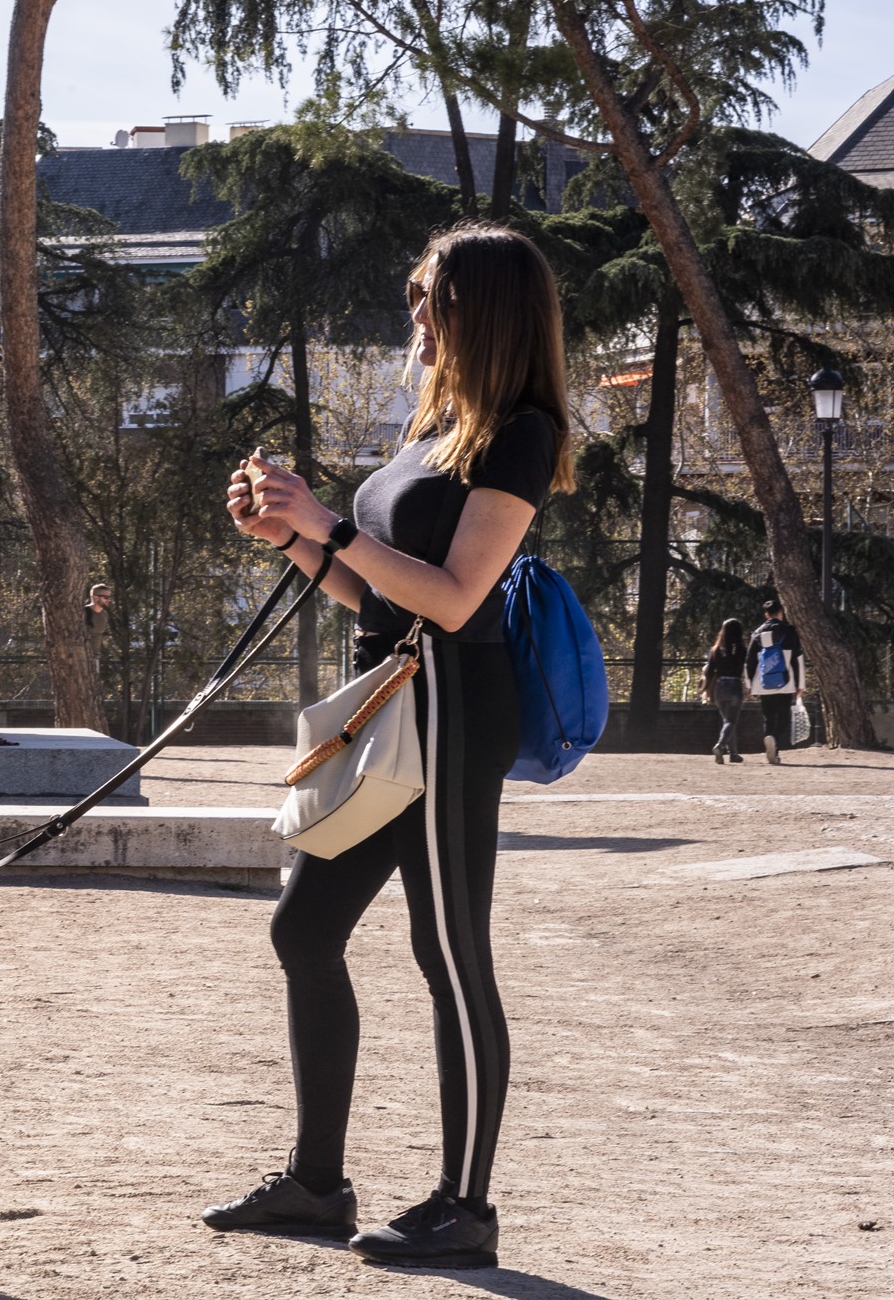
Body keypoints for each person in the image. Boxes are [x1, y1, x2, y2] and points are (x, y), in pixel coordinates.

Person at [208, 223, 574, 1270]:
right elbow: (369, 589)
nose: (414, 315)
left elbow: (456, 599)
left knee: (448, 956)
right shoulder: (437, 431)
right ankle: (316, 1187)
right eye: (416, 296)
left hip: (457, 709)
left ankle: (464, 1205)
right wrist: (288, 534)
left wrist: (326, 525)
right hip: (389, 701)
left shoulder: (519, 434)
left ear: (481, 312)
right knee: (302, 931)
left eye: (430, 300)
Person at [745, 597, 804, 764]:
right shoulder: (790, 631)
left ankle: (770, 740)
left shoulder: (757, 634)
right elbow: (797, 659)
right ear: (781, 613)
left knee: (768, 717)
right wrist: (800, 685)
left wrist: (749, 684)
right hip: (786, 682)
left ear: (766, 615)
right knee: (784, 718)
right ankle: (775, 742)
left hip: (764, 684)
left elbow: (749, 661)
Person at [703, 619, 748, 763]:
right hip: (734, 685)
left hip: (719, 687)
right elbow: (745, 668)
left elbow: (709, 671)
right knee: (731, 720)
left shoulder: (716, 649)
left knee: (727, 721)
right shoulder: (741, 649)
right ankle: (720, 745)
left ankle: (733, 754)